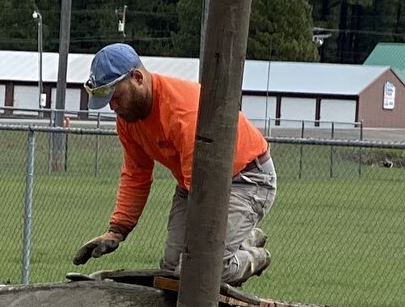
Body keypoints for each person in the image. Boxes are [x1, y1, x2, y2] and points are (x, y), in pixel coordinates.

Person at [72, 42, 276, 285]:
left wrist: (204, 250)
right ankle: (235, 240)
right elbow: (136, 174)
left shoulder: (183, 114)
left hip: (246, 180)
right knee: (172, 269)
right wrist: (118, 230)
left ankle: (254, 255)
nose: (113, 107)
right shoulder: (128, 120)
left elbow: (203, 191)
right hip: (194, 183)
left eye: (116, 97)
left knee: (200, 269)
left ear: (137, 77)